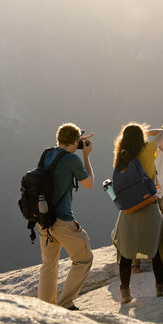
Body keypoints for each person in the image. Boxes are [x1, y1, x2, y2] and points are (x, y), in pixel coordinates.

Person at [37, 123, 94, 310]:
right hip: (62, 220)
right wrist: (85, 156)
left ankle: (45, 308)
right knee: (84, 259)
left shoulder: (47, 153)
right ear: (75, 141)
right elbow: (89, 183)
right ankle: (65, 304)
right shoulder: (72, 159)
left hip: (43, 217)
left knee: (49, 263)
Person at [112, 123, 163, 303]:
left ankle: (125, 292)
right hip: (148, 205)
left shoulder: (120, 158)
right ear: (141, 139)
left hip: (128, 211)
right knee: (158, 246)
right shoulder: (147, 150)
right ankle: (160, 288)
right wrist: (145, 132)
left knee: (125, 251)